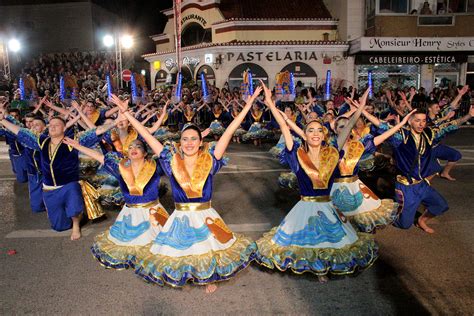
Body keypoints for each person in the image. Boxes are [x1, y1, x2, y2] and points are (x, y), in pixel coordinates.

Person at [108, 91, 259, 292]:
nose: (189, 143)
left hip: (204, 213)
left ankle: (207, 277)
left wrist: (247, 107)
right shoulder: (171, 162)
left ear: (200, 142)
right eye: (185, 139)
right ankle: (189, 274)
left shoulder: (210, 160)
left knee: (206, 248)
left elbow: (229, 132)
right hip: (180, 214)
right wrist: (126, 114)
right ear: (180, 142)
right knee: (179, 250)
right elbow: (146, 135)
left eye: (193, 139)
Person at [256, 84, 378, 283]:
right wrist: (270, 103)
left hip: (328, 205)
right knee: (310, 240)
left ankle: (327, 266)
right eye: (310, 130)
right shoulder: (296, 153)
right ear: (305, 135)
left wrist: (361, 106)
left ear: (323, 135)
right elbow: (285, 128)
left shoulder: (332, 152)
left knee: (332, 240)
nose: (314, 133)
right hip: (305, 206)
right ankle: (318, 269)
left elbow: (347, 128)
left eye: (318, 130)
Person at [63, 136, 169, 269]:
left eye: (138, 146)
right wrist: (77, 146)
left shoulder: (155, 166)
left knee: (163, 245)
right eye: (130, 147)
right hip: (130, 212)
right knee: (128, 245)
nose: (133, 149)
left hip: (154, 212)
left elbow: (164, 154)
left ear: (145, 152)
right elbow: (99, 156)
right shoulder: (121, 167)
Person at [364, 105, 474, 233]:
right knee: (405, 225)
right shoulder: (402, 136)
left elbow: (448, 127)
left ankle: (422, 220)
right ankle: (387, 214)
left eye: (423, 120)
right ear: (410, 121)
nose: (421, 124)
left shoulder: (429, 134)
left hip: (422, 184)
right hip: (406, 187)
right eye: (417, 120)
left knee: (440, 205)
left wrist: (468, 116)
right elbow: (382, 126)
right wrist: (363, 111)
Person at [0, 114, 110, 240]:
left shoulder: (72, 141)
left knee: (74, 206)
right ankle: (76, 216)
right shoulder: (42, 141)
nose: (52, 127)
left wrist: (116, 121)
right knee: (59, 226)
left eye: (56, 125)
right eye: (50, 125)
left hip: (69, 184)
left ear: (64, 128)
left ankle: (76, 223)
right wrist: (2, 120)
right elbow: (21, 132)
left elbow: (96, 132)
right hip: (49, 188)